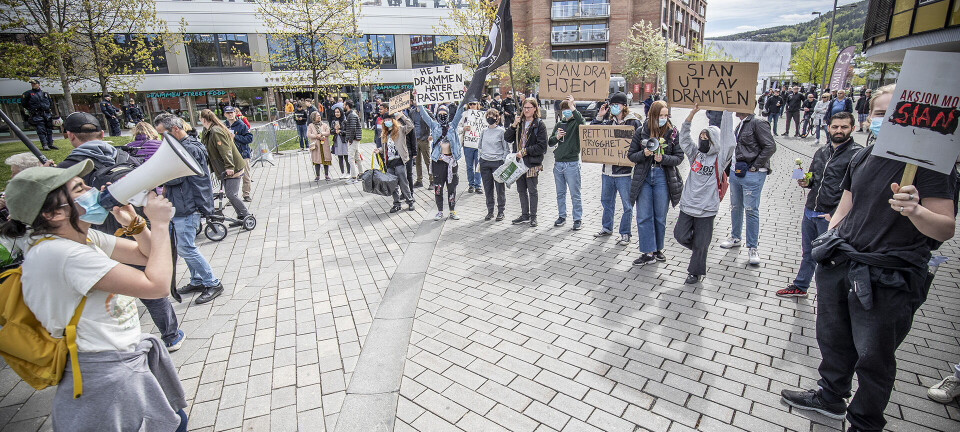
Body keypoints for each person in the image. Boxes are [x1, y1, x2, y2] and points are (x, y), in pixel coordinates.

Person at [780, 83, 957, 432]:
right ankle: (830, 397)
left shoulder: (933, 166)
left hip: (887, 277)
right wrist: (830, 242)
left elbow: (945, 229)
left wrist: (915, 210)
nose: (887, 121)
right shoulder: (861, 156)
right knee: (833, 338)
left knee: (874, 356)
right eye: (880, 113)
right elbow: (845, 207)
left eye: (895, 113)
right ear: (869, 117)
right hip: (842, 264)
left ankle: (865, 421)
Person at [1, 162, 188, 432]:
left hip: (120, 362)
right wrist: (159, 224)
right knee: (173, 423)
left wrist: (134, 223)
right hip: (104, 375)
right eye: (79, 188)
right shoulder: (62, 254)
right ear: (53, 213)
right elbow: (156, 285)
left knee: (175, 421)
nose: (92, 189)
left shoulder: (80, 238)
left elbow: (146, 256)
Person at [777, 111, 863, 298]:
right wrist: (805, 181)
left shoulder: (857, 155)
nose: (839, 130)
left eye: (844, 127)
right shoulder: (821, 151)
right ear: (828, 128)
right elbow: (813, 178)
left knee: (830, 258)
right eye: (835, 127)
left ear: (853, 129)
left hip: (831, 216)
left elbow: (857, 192)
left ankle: (832, 296)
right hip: (810, 211)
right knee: (808, 253)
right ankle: (800, 286)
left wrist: (836, 215)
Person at [153, 113, 225, 306]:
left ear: (175, 130)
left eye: (163, 134)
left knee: (186, 247)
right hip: (182, 204)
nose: (161, 139)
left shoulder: (189, 149)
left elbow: (177, 177)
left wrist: (157, 177)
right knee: (184, 245)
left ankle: (212, 282)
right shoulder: (184, 146)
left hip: (188, 205)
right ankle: (198, 280)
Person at [674, 106, 735, 284]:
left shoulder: (720, 159)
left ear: (714, 140)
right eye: (701, 136)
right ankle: (699, 252)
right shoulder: (695, 154)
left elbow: (729, 141)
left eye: (706, 137)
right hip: (688, 205)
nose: (703, 140)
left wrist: (726, 113)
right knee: (680, 235)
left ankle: (695, 272)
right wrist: (692, 115)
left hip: (707, 209)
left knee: (702, 243)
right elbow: (684, 139)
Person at [628, 100, 684, 266]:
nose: (663, 118)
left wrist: (664, 158)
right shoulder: (641, 131)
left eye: (666, 115)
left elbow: (679, 157)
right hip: (644, 177)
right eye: (660, 115)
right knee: (644, 215)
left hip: (662, 176)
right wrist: (644, 153)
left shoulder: (672, 132)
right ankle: (647, 252)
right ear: (653, 115)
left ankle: (658, 249)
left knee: (660, 216)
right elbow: (631, 155)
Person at [719, 106, 777, 265]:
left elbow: (770, 146)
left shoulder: (757, 123)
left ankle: (752, 247)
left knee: (751, 210)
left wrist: (755, 166)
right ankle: (735, 237)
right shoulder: (741, 124)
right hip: (737, 172)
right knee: (735, 206)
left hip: (751, 174)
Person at [592, 92, 641, 246]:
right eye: (611, 105)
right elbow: (591, 135)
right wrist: (600, 117)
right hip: (607, 170)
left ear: (624, 106)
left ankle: (625, 233)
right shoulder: (608, 121)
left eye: (616, 105)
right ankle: (606, 227)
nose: (613, 107)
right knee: (606, 201)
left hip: (624, 173)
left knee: (627, 204)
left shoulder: (634, 122)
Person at [199, 109, 250, 224]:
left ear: (203, 119)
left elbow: (226, 150)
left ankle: (246, 215)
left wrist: (229, 166)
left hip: (233, 167)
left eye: (200, 118)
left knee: (231, 194)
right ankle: (241, 216)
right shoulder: (208, 131)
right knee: (230, 194)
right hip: (223, 167)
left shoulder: (216, 131)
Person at [417, 97, 464, 221]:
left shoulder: (452, 126)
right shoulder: (434, 125)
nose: (442, 116)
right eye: (440, 114)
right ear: (437, 115)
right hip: (438, 162)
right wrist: (419, 100)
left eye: (445, 114)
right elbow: (423, 114)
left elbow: (460, 111)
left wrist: (464, 97)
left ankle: (452, 210)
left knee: (452, 188)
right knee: (438, 188)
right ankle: (439, 211)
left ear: (448, 115)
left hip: (451, 163)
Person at [504, 97, 548, 227]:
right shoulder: (519, 123)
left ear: (535, 109)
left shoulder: (539, 125)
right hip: (518, 163)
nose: (526, 110)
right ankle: (525, 215)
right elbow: (507, 138)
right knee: (521, 189)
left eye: (529, 107)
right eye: (524, 107)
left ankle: (533, 217)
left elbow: (542, 147)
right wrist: (513, 125)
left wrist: (524, 151)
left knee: (532, 190)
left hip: (531, 163)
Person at [548, 96, 585, 230]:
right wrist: (557, 137)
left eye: (568, 109)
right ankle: (562, 215)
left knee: (575, 193)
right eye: (564, 109)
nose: (566, 112)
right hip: (559, 163)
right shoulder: (559, 124)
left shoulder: (576, 122)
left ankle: (577, 218)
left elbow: (582, 121)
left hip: (572, 163)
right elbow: (550, 142)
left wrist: (573, 106)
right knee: (560, 193)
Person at [373, 111, 416, 213]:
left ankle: (410, 201)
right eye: (386, 120)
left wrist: (403, 117)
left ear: (393, 120)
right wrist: (379, 150)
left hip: (399, 161)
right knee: (392, 185)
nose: (387, 121)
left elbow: (410, 126)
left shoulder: (400, 130)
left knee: (403, 182)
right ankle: (396, 204)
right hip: (390, 163)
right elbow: (385, 148)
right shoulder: (385, 134)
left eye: (389, 119)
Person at [477, 108, 509, 221]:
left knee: (500, 188)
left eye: (493, 116)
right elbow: (479, 146)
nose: (490, 118)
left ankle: (501, 211)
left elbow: (506, 148)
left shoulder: (501, 131)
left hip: (497, 162)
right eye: (488, 115)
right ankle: (490, 211)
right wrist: (480, 159)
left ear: (497, 118)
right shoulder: (484, 131)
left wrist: (503, 161)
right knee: (488, 188)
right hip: (485, 162)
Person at [223, 106, 254, 202]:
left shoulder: (241, 125)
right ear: (225, 114)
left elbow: (249, 138)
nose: (230, 114)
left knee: (246, 175)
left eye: (232, 112)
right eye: (228, 113)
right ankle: (232, 196)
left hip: (242, 153)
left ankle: (246, 194)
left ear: (235, 113)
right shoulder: (224, 126)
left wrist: (235, 137)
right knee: (231, 176)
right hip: (230, 155)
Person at [457, 99, 485, 194]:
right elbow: (457, 127)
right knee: (469, 166)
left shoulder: (482, 115)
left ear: (478, 105)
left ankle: (478, 185)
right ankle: (471, 184)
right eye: (470, 104)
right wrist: (463, 128)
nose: (472, 106)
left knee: (478, 165)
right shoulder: (465, 115)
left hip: (478, 145)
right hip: (468, 144)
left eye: (474, 104)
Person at [21, 80, 57, 150]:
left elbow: (50, 103)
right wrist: (32, 109)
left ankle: (50, 144)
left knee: (49, 129)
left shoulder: (45, 93)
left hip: (46, 114)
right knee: (41, 130)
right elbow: (24, 104)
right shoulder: (28, 93)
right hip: (36, 114)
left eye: (34, 84)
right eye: (32, 84)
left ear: (38, 84)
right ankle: (44, 145)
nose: (33, 85)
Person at [408, 97, 431, 188]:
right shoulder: (412, 112)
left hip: (424, 139)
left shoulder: (426, 111)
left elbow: (433, 123)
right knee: (417, 162)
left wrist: (431, 134)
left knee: (427, 161)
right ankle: (419, 180)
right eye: (414, 100)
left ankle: (432, 180)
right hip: (415, 139)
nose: (415, 101)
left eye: (417, 99)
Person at [307, 112, 332, 181]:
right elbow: (308, 134)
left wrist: (322, 134)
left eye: (319, 115)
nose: (319, 117)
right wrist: (316, 136)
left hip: (324, 145)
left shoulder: (324, 125)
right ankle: (317, 175)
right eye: (317, 116)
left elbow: (328, 132)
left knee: (325, 159)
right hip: (316, 146)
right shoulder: (310, 126)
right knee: (317, 160)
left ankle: (326, 175)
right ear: (313, 117)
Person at [344, 100, 364, 182]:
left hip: (354, 139)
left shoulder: (351, 115)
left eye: (344, 105)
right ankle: (361, 174)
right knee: (357, 157)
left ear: (347, 106)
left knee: (350, 158)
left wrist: (350, 139)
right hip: (356, 138)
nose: (343, 106)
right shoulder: (351, 115)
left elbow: (352, 128)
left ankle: (353, 177)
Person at [330, 107, 350, 179]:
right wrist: (335, 130)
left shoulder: (345, 121)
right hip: (337, 140)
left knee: (346, 156)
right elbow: (331, 131)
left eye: (338, 112)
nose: (337, 114)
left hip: (344, 140)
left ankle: (348, 172)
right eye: (335, 112)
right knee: (340, 157)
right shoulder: (333, 121)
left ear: (341, 112)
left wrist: (340, 131)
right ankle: (342, 172)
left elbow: (348, 131)